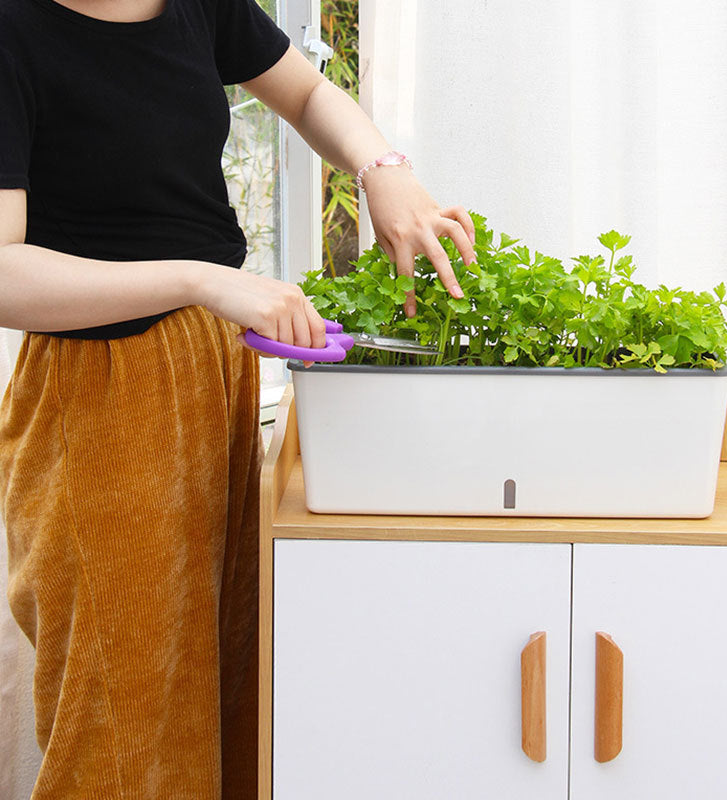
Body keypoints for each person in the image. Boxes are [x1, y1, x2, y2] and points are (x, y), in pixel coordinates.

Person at [0, 0, 477, 796]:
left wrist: (384, 172)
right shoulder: (13, 29)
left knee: (218, 673)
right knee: (120, 716)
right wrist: (203, 278)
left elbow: (306, 94)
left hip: (212, 366)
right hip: (96, 391)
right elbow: (5, 272)